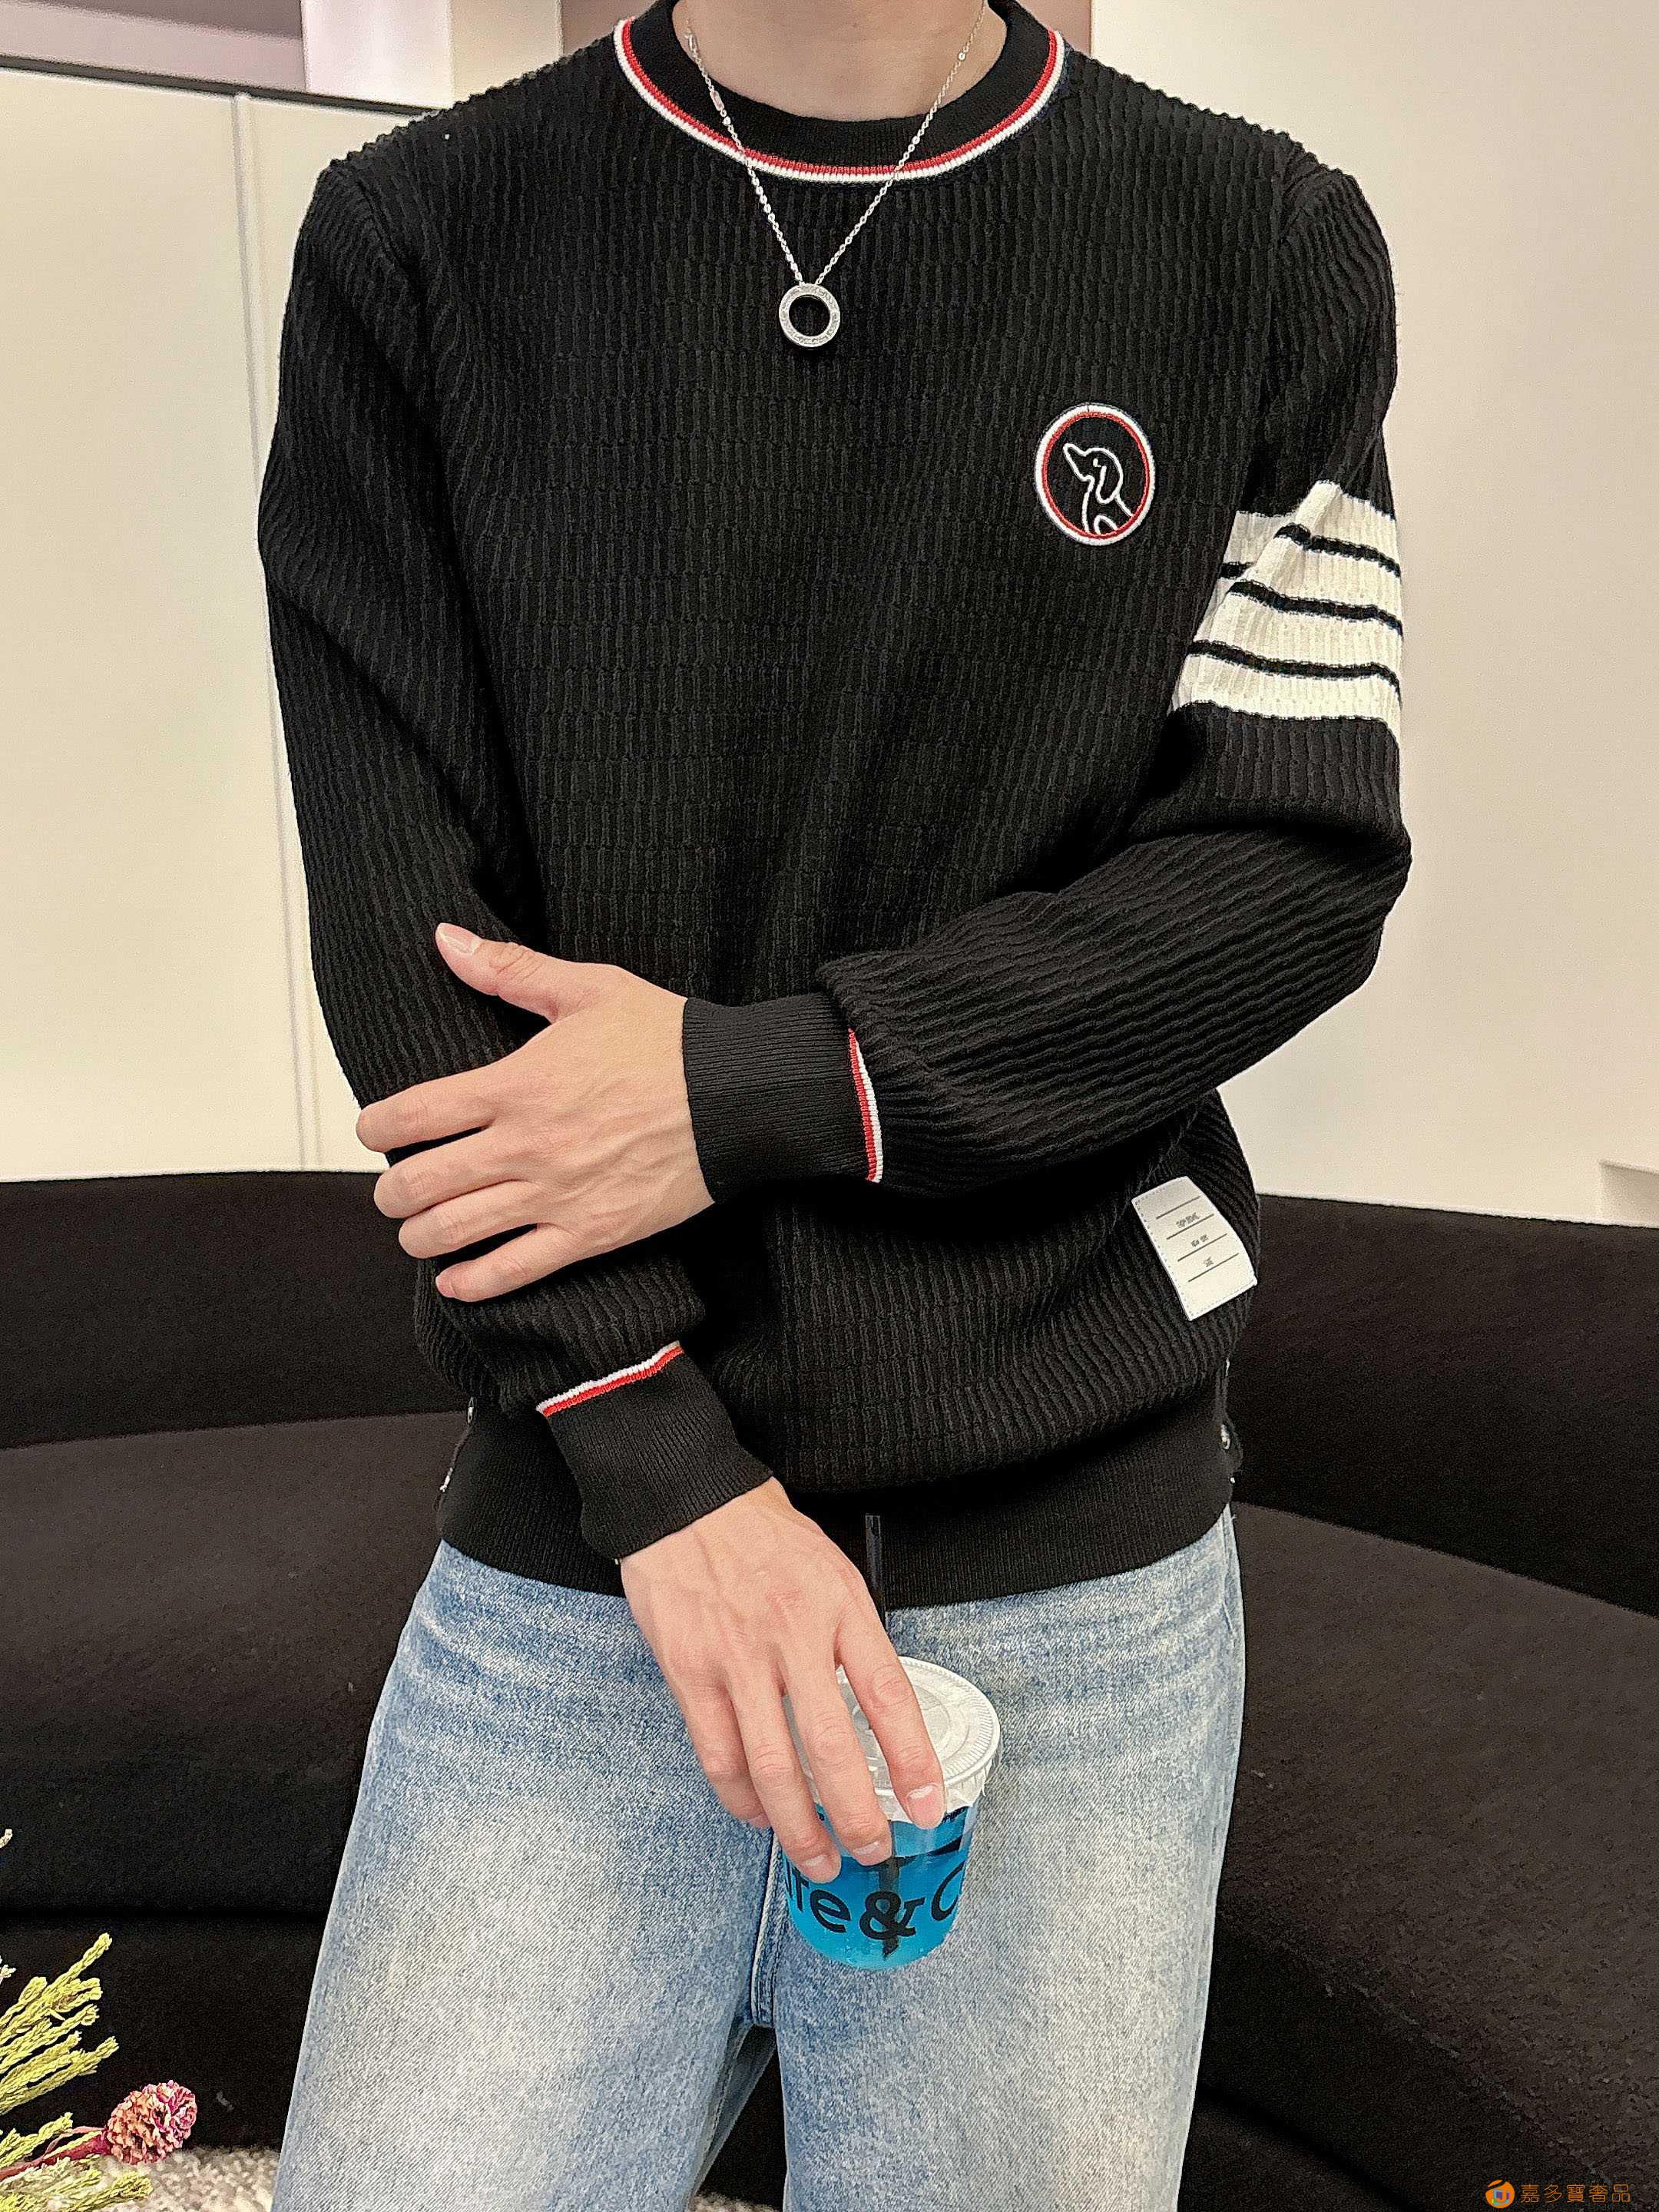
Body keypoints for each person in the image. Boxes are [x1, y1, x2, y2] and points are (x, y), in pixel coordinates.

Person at [254, 0, 1409, 2202]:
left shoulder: (1260, 241)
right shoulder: (415, 239)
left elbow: (1290, 869)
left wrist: (745, 1088)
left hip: (1077, 1571)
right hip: (587, 1551)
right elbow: (418, 951)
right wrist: (666, 1479)